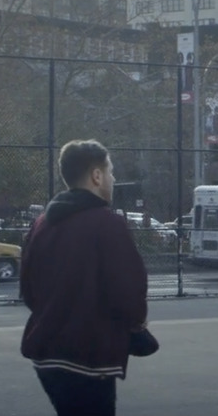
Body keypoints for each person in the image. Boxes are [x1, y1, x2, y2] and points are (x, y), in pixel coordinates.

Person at [20, 140, 148, 416]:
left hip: (46, 354)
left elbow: (28, 290)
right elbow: (128, 291)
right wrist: (137, 325)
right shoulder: (107, 224)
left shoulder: (41, 224)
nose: (113, 179)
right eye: (110, 171)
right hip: (89, 356)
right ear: (96, 175)